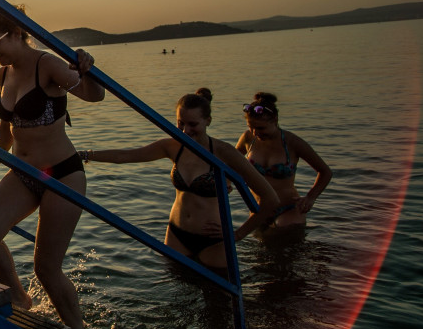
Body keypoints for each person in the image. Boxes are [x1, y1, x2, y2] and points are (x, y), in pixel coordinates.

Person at [0, 4, 103, 329]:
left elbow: (94, 95)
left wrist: (87, 68)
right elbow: (5, 127)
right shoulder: (4, 74)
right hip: (23, 172)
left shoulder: (48, 65)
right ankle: (20, 300)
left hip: (62, 173)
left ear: (16, 33)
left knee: (46, 268)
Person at [84, 88, 282, 270]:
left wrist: (237, 234)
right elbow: (125, 156)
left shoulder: (224, 153)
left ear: (208, 121)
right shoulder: (172, 146)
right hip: (176, 236)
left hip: (213, 241)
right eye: (180, 123)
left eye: (193, 124)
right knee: (176, 302)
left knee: (218, 303)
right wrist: (85, 155)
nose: (186, 130)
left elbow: (270, 199)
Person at [236, 92, 332, 230]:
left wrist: (310, 197)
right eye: (251, 126)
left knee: (286, 247)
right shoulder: (248, 138)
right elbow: (229, 163)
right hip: (258, 211)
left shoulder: (292, 142)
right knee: (259, 251)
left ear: (275, 120)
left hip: (289, 210)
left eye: (261, 128)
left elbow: (325, 172)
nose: (255, 132)